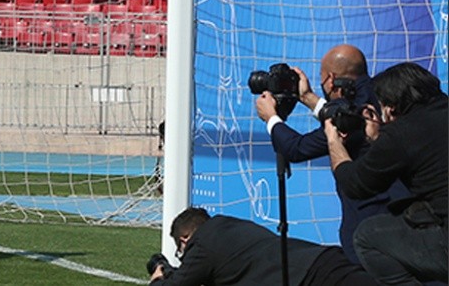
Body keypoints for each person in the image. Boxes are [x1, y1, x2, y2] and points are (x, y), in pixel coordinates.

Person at [255, 43, 407, 263]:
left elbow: (296, 149)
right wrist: (308, 97)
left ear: (331, 79)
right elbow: (340, 114)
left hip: (372, 221)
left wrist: (271, 118)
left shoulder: (357, 110)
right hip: (406, 216)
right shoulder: (381, 94)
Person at [324, 62, 448, 284]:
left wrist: (334, 142)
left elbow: (355, 184)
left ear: (390, 108)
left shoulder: (401, 134)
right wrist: (378, 140)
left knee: (367, 237)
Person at [147, 207, 378, 285]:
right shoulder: (227, 225)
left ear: (185, 240)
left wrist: (158, 276)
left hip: (308, 278)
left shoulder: (203, 245)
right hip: (325, 261)